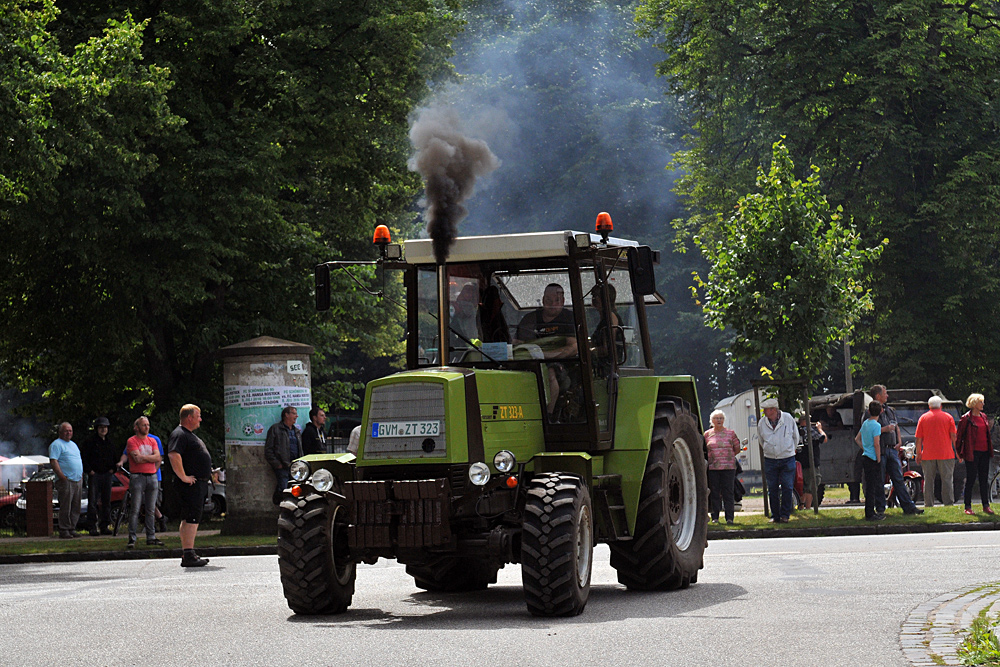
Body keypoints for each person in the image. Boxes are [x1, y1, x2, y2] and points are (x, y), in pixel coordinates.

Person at [514, 283, 579, 417]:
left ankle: (548, 416)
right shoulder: (530, 319)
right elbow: (518, 343)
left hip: (561, 364)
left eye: (557, 300)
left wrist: (546, 355)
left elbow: (573, 348)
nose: (552, 304)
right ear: (543, 300)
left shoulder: (568, 318)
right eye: (548, 300)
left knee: (549, 372)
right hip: (530, 360)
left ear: (563, 301)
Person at [167, 404, 213, 567]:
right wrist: (184, 477)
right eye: (198, 415)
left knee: (189, 518)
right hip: (191, 485)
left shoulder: (187, 435)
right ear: (189, 418)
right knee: (192, 517)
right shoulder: (180, 434)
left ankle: (188, 552)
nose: (200, 419)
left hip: (197, 483)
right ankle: (189, 554)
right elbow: (174, 455)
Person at [870, 385, 923, 515]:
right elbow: (868, 430)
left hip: (892, 449)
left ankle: (908, 507)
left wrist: (899, 441)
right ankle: (881, 508)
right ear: (878, 396)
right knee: (880, 480)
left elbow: (897, 426)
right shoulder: (871, 411)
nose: (887, 396)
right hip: (881, 450)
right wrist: (884, 429)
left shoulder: (889, 410)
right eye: (885, 393)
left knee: (899, 479)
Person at [757, 398, 799, 523]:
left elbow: (795, 436)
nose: (764, 412)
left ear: (773, 410)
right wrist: (768, 449)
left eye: (766, 410)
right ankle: (775, 515)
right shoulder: (761, 423)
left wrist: (790, 450)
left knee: (787, 486)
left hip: (787, 458)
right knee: (772, 488)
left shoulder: (788, 418)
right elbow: (761, 440)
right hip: (770, 459)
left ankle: (785, 515)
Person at [125, 416, 164, 548]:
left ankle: (151, 536)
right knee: (135, 508)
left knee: (151, 509)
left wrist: (145, 458)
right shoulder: (131, 441)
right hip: (137, 477)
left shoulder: (153, 440)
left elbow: (158, 457)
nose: (147, 427)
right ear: (137, 428)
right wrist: (150, 458)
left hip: (152, 476)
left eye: (148, 425)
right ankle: (132, 537)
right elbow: (137, 460)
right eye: (143, 425)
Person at [915, 395, 958, 508]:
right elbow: (954, 436)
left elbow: (918, 439)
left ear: (929, 406)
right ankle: (948, 503)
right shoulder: (948, 417)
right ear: (941, 405)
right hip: (946, 453)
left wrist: (918, 453)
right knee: (947, 479)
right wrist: (958, 452)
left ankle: (928, 504)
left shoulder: (923, 418)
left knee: (928, 480)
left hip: (928, 454)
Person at [956, 393, 994, 516]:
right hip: (972, 453)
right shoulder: (966, 418)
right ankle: (967, 506)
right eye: (980, 402)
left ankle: (986, 505)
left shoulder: (983, 416)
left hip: (985, 452)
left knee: (984, 480)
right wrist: (959, 453)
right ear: (974, 404)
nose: (983, 404)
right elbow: (959, 437)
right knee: (971, 479)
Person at [80, 417, 118, 535]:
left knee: (106, 501)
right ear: (97, 428)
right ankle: (92, 526)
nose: (103, 429)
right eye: (101, 427)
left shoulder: (110, 442)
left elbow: (115, 457)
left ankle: (104, 525)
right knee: (93, 501)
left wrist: (113, 469)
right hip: (95, 474)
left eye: (105, 427)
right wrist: (89, 470)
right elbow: (84, 457)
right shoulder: (89, 442)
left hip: (107, 474)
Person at [704, 410, 741, 524]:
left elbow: (737, 448)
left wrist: (728, 456)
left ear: (724, 420)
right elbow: (704, 449)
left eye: (721, 418)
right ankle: (715, 517)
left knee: (728, 492)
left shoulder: (731, 433)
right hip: (713, 467)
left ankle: (729, 518)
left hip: (728, 467)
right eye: (716, 418)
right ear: (712, 421)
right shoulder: (707, 434)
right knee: (714, 492)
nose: (719, 420)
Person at [49, 422, 83, 539]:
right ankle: (64, 530)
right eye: (66, 430)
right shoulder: (56, 444)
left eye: (70, 430)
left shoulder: (73, 445)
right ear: (60, 432)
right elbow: (54, 461)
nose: (69, 433)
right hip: (66, 480)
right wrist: (61, 476)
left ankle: (72, 528)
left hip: (77, 480)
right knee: (66, 506)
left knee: (76, 506)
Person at [264, 406, 302, 505]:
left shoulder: (296, 431)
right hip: (283, 466)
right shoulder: (276, 429)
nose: (296, 416)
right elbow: (268, 450)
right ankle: (284, 509)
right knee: (284, 489)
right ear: (286, 415)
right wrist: (277, 464)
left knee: (296, 490)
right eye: (294, 413)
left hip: (296, 467)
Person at [855, 401, 885, 521]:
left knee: (869, 486)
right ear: (881, 411)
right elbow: (876, 443)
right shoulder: (876, 426)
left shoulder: (866, 423)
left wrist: (865, 448)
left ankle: (870, 511)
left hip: (865, 456)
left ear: (868, 412)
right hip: (873, 458)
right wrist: (878, 459)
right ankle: (870, 513)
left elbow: (857, 439)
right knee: (873, 486)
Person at [795, 414, 826, 510]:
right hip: (811, 462)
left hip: (799, 463)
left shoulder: (796, 432)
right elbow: (823, 438)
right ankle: (808, 507)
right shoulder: (811, 431)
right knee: (811, 485)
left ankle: (801, 505)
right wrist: (820, 428)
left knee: (802, 486)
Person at [590, 284, 622, 374]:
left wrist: (589, 352)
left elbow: (607, 348)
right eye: (593, 295)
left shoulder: (610, 317)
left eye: (598, 296)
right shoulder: (603, 319)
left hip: (607, 368)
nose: (595, 298)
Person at [451, 283, 481, 347]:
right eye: (466, 291)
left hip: (468, 339)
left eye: (470, 292)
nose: (468, 294)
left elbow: (461, 313)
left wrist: (455, 304)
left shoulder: (470, 306)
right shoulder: (461, 304)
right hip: (458, 336)